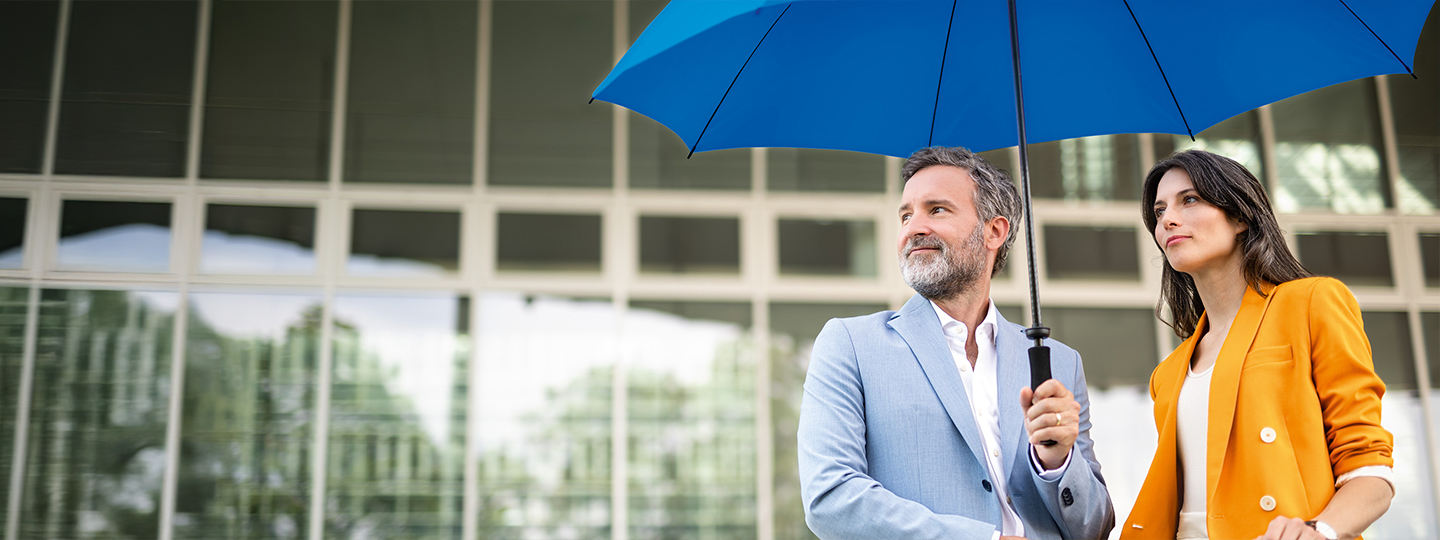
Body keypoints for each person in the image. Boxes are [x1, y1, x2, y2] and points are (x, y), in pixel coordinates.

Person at [797, 146, 1114, 540]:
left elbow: (1095, 527)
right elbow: (830, 498)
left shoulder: (1058, 364)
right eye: (906, 215)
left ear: (994, 231)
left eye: (937, 210)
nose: (914, 227)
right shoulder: (851, 345)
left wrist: (1058, 461)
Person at [1122, 150, 1395, 540]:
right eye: (1159, 209)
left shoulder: (1311, 302)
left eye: (1190, 199)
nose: (1167, 219)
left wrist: (1319, 531)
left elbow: (1369, 470)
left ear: (1239, 216)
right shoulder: (1167, 374)